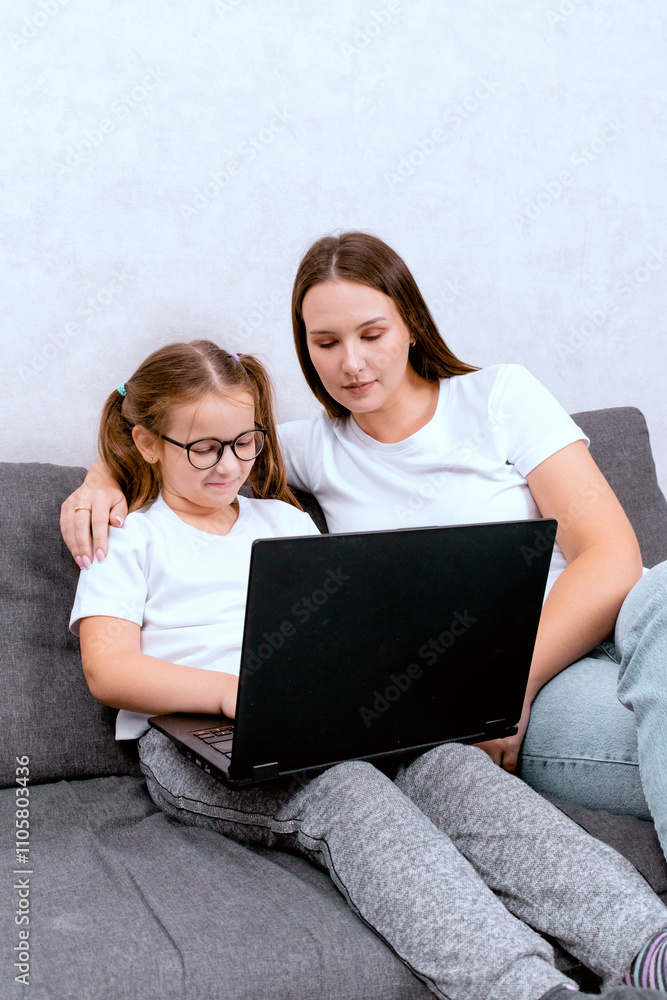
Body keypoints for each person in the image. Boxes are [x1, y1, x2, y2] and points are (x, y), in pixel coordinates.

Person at [67, 337, 667, 1000]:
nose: (228, 466)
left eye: (244, 443)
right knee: (352, 796)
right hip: (198, 740)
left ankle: (643, 947)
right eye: (203, 449)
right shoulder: (128, 535)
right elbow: (110, 669)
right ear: (149, 444)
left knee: (454, 767)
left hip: (323, 717)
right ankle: (524, 989)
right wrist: (239, 695)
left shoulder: (284, 522)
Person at [60, 233, 667, 859]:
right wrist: (103, 477)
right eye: (326, 343)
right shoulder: (309, 448)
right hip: (533, 687)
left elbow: (612, 557)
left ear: (411, 325)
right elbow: (187, 445)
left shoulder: (501, 396)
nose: (352, 363)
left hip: (598, 633)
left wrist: (512, 687)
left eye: (371, 335)